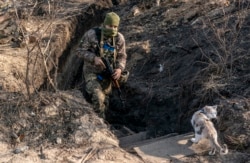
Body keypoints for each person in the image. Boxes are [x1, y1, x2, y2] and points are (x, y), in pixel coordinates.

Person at [76, 12, 127, 118]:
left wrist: (119, 69)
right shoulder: (91, 34)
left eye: (115, 27)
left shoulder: (119, 39)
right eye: (110, 26)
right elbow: (79, 51)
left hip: (108, 74)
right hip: (92, 72)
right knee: (98, 96)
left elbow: (122, 56)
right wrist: (93, 58)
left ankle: (103, 124)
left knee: (105, 100)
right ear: (104, 24)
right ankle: (100, 124)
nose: (112, 29)